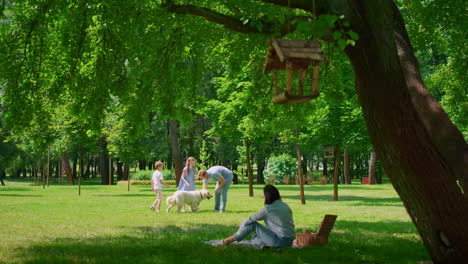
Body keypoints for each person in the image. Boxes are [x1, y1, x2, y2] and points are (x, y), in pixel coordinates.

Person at [221, 185, 295, 248]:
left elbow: (251, 219)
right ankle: (265, 247)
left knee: (253, 225)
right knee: (255, 237)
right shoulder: (285, 205)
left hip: (280, 241)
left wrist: (242, 225)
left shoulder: (268, 209)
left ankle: (227, 240)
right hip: (289, 242)